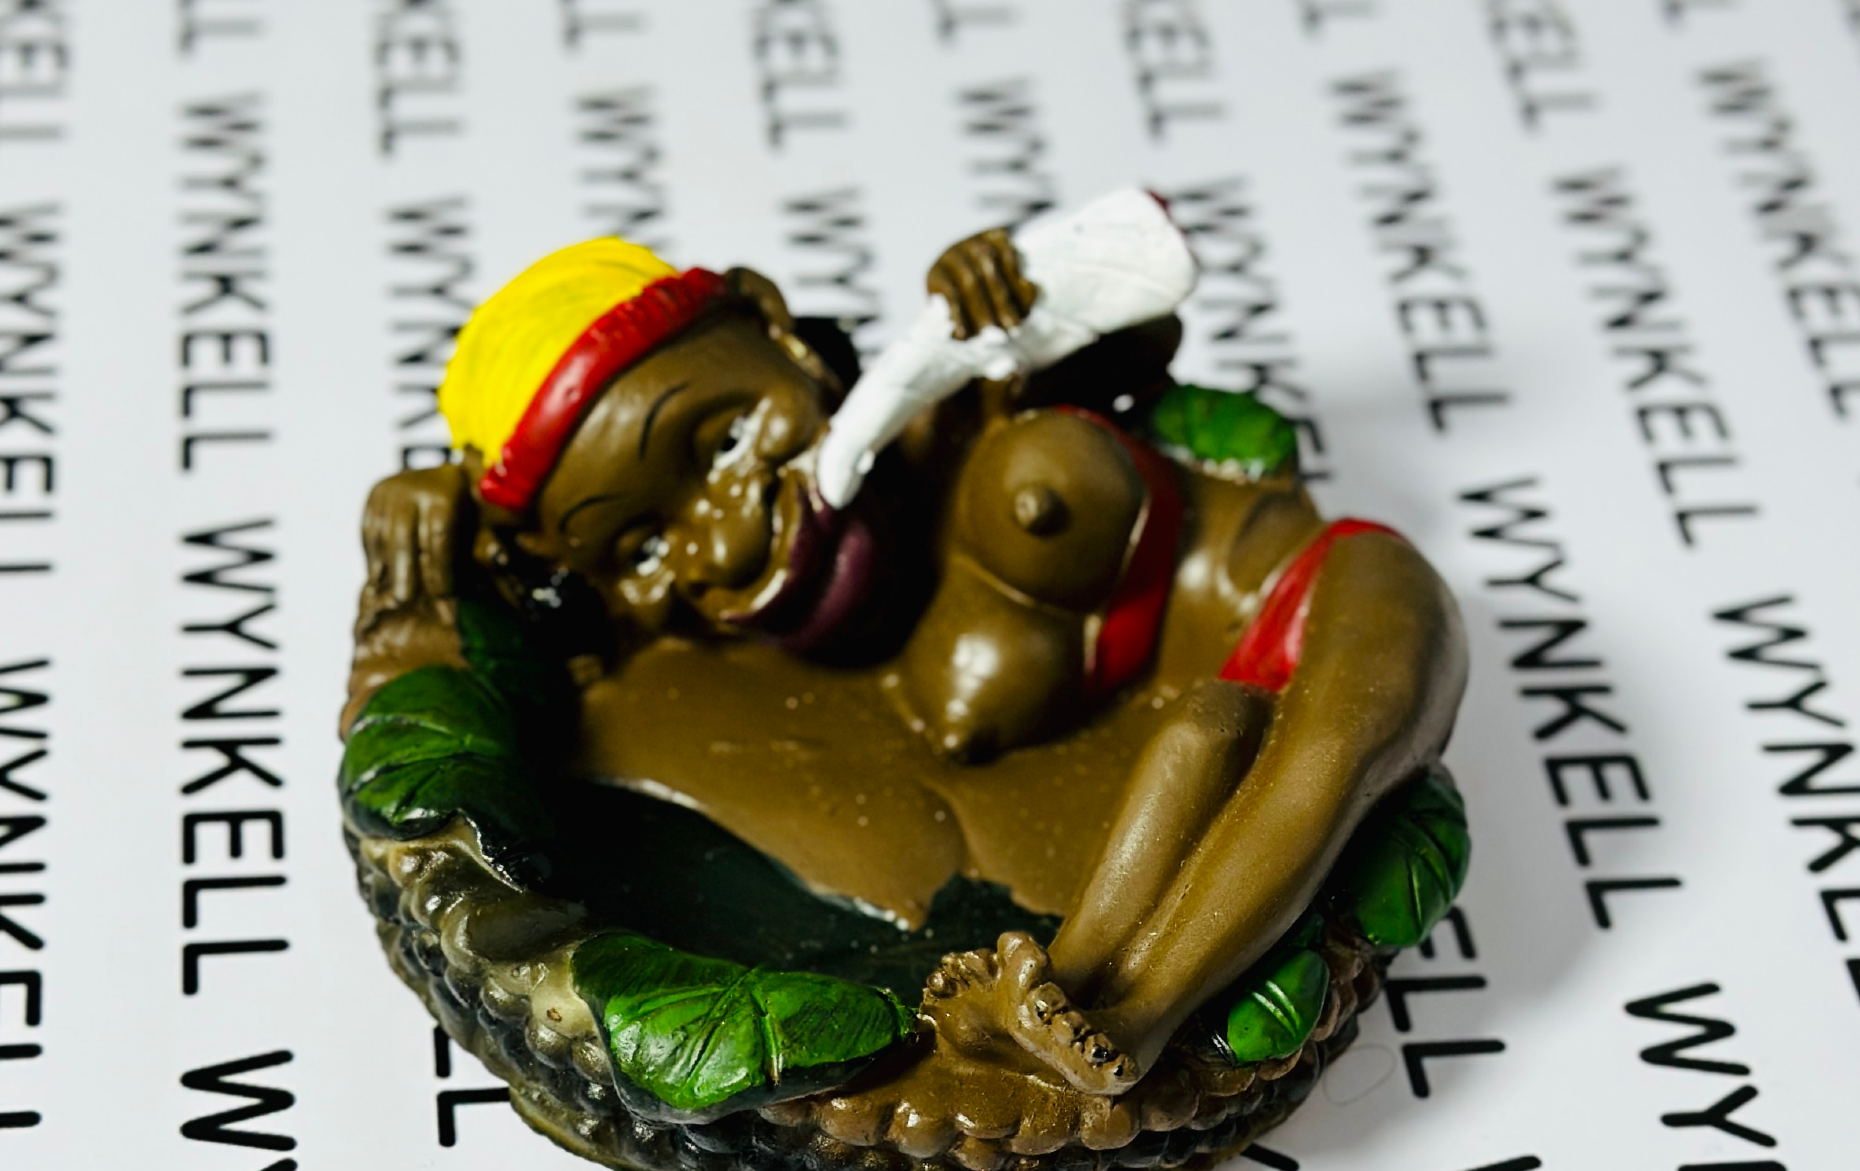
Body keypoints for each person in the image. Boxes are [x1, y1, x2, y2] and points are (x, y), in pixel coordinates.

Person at [346, 226, 1467, 1100]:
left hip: (1323, 587)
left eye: (725, 439)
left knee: (1325, 752)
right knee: (1203, 739)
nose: (722, 539)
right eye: (644, 545)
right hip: (1210, 705)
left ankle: (1140, 1022)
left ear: (781, 334)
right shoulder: (748, 618)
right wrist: (436, 513)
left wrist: (1014, 297)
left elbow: (1132, 330)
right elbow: (557, 610)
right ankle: (1075, 1007)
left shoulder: (957, 411)